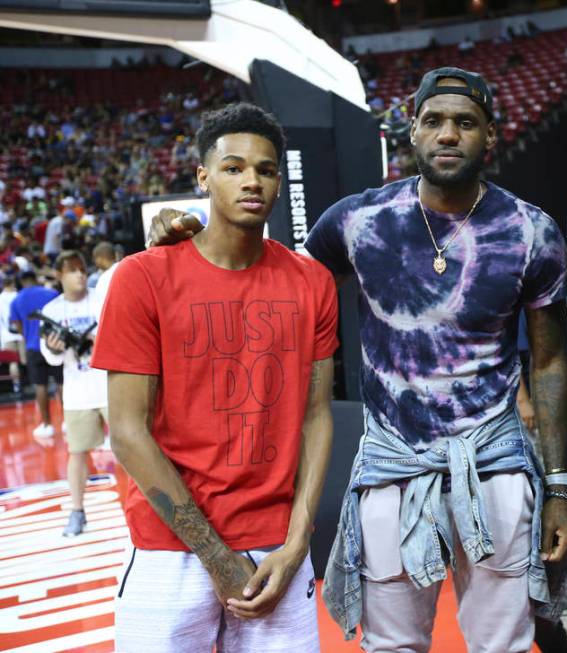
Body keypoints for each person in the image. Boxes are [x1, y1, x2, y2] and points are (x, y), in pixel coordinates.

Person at [150, 68, 567, 653]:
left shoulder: (532, 231)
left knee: (502, 644)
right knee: (391, 645)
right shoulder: (359, 220)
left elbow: (550, 362)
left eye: (465, 123)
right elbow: (274, 274)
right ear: (412, 131)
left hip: (494, 460)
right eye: (434, 121)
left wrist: (558, 486)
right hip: (392, 464)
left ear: (491, 137)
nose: (448, 135)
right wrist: (196, 238)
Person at [90, 103, 338, 651]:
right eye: (233, 167)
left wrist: (299, 542)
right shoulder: (142, 278)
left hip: (276, 548)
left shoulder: (312, 282)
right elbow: (128, 431)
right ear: (203, 176)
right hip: (169, 547)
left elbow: (316, 416)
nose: (252, 179)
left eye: (266, 169)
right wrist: (214, 555)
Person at [39, 250, 108, 537]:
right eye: (72, 270)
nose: (80, 274)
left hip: (111, 386)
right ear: (59, 276)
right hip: (78, 391)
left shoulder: (101, 298)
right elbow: (50, 357)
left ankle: (151, 509)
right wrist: (55, 348)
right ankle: (77, 511)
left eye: (82, 269)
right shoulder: (52, 310)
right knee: (77, 452)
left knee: (134, 450)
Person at [9, 269, 61, 438]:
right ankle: (68, 421)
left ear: (22, 282)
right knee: (62, 383)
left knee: (40, 386)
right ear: (34, 279)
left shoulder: (16, 300)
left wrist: (29, 336)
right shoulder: (52, 293)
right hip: (55, 344)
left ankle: (47, 425)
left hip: (33, 347)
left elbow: (17, 326)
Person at [0, 274, 25, 395]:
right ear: (12, 284)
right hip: (21, 333)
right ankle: (35, 384)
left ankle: (17, 386)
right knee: (26, 360)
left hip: (6, 334)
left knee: (13, 362)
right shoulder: (19, 296)